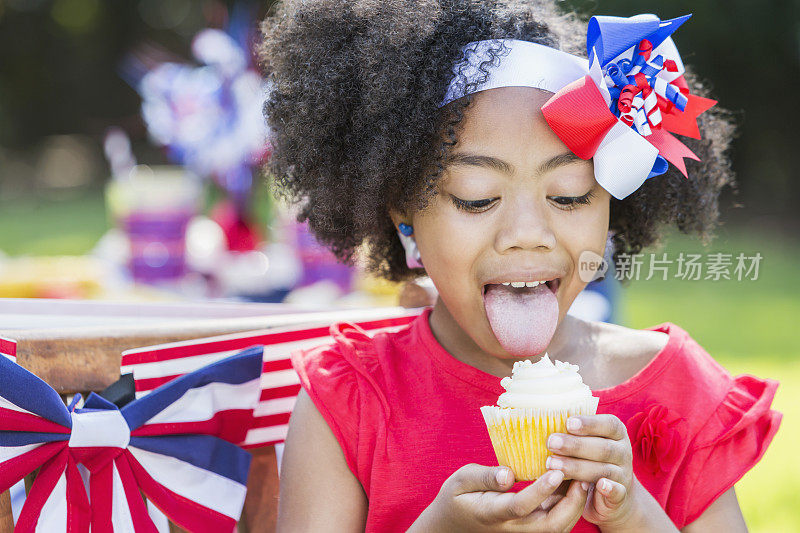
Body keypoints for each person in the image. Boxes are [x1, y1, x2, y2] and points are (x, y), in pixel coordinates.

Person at [258, 1, 781, 531]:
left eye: (570, 195)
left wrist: (635, 516)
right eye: (478, 197)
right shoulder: (348, 403)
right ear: (402, 212)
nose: (528, 234)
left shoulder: (676, 392)